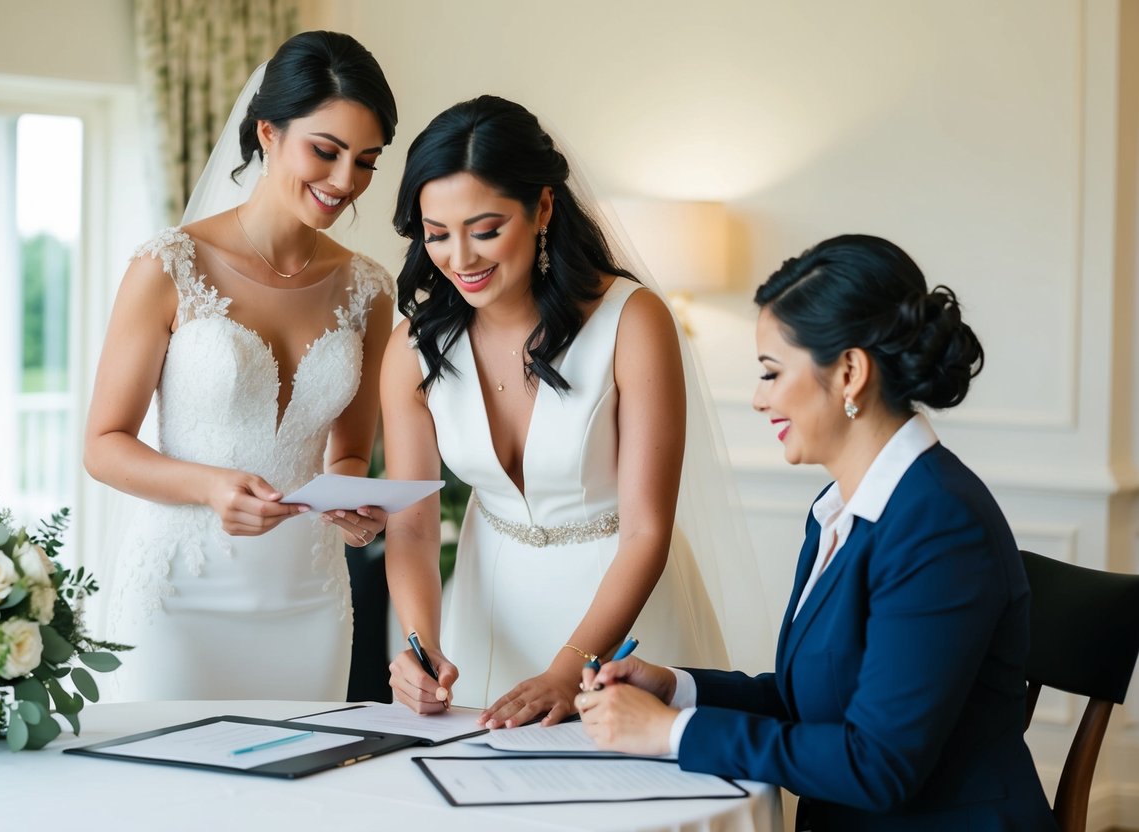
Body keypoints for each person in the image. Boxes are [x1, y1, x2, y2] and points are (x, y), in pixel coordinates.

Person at [575, 234, 1059, 831]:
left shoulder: (940, 526)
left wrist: (671, 733)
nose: (758, 400)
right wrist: (676, 689)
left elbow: (878, 765)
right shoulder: (838, 509)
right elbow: (818, 698)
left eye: (772, 373)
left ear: (850, 372)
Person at [381, 95, 770, 729]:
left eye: (485, 230)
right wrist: (421, 647)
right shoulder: (413, 349)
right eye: (436, 234)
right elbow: (415, 525)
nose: (460, 258)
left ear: (542, 208)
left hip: (621, 615)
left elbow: (648, 528)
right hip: (488, 609)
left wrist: (570, 670)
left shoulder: (632, 322)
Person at [84, 31, 398, 701]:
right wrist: (210, 488)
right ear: (267, 132)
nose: (346, 181)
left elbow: (348, 454)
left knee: (302, 794)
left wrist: (356, 505)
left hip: (308, 596)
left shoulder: (368, 288)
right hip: (181, 595)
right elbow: (103, 446)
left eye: (367, 160)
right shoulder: (168, 265)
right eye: (327, 150)